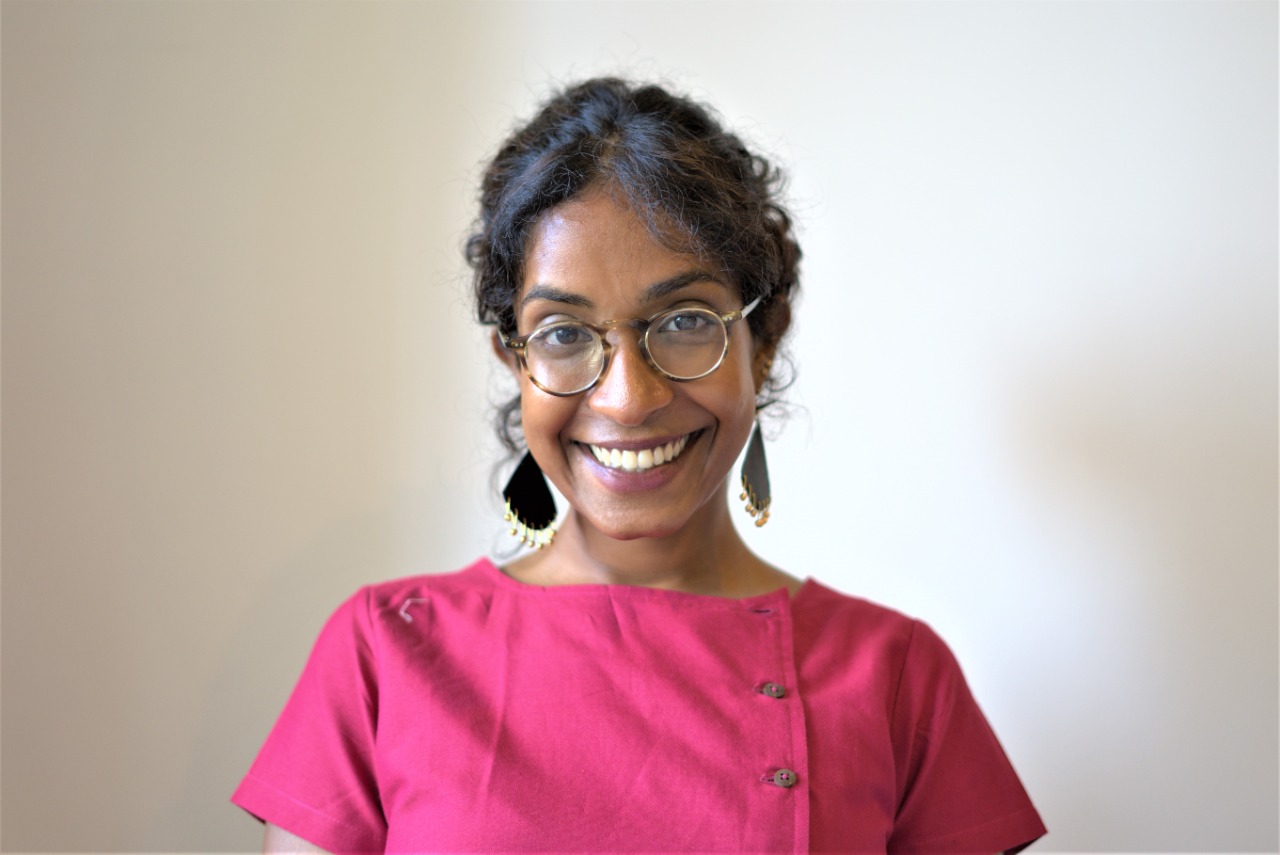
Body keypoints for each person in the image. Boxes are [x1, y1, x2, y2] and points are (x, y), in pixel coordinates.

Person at [233, 77, 1047, 854]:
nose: (627, 399)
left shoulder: (897, 676)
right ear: (515, 361)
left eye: (685, 320)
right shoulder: (384, 652)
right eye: (562, 333)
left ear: (761, 341)